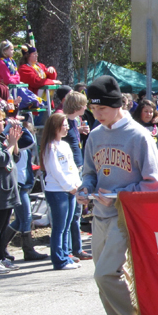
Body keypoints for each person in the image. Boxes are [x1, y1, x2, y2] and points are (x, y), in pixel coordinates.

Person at [77, 75, 158, 315]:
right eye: (92, 108)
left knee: (106, 275)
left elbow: (157, 183)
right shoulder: (94, 136)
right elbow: (90, 172)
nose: (95, 113)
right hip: (100, 216)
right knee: (105, 284)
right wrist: (85, 188)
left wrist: (118, 195)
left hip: (126, 217)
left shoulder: (138, 136)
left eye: (100, 108)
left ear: (115, 106)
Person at [40, 113, 82, 270]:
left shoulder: (64, 145)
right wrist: (68, 187)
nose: (67, 128)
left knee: (67, 225)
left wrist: (77, 184)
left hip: (70, 189)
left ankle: (66, 255)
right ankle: (59, 260)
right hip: (57, 191)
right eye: (64, 125)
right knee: (59, 227)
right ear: (56, 127)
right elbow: (55, 171)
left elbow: (71, 167)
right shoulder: (50, 147)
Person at [6, 115, 47, 261]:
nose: (31, 133)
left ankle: (1, 248)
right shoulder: (18, 142)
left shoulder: (22, 146)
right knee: (25, 219)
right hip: (18, 185)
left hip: (23, 184)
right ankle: (28, 250)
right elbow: (29, 140)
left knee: (19, 220)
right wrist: (19, 126)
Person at [62, 91, 92, 261]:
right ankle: (68, 250)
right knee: (71, 214)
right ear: (77, 105)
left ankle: (77, 248)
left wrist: (79, 130)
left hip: (78, 167)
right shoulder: (63, 121)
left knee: (77, 212)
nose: (86, 107)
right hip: (71, 170)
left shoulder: (74, 122)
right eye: (84, 104)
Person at [0, 107, 22, 274]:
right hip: (0, 193)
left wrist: (15, 141)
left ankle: (1, 258)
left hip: (8, 191)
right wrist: (11, 144)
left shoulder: (2, 139)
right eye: (1, 121)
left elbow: (15, 157)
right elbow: (1, 159)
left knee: (3, 227)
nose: (4, 123)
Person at [0, 40, 41, 110]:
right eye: (11, 50)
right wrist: (15, 79)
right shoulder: (1, 63)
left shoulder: (11, 62)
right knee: (22, 92)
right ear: (5, 51)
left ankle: (35, 101)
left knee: (26, 91)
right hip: (6, 90)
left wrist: (14, 79)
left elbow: (17, 76)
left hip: (13, 87)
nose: (13, 51)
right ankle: (30, 102)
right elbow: (7, 80)